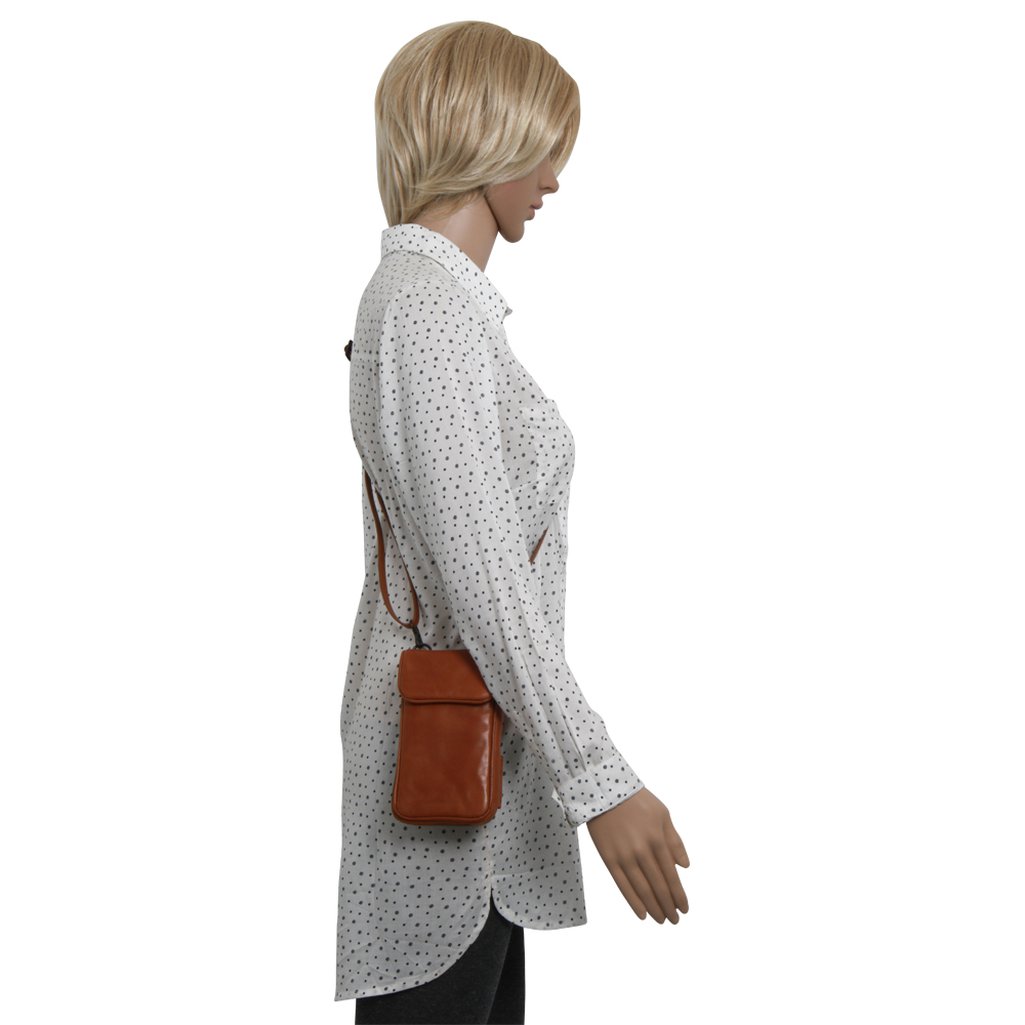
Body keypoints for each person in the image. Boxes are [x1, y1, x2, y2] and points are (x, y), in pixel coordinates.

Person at [336, 21, 690, 1022]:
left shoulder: (434, 306)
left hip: (477, 789)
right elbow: (486, 583)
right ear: (485, 136)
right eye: (541, 147)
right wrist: (599, 779)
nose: (553, 178)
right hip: (446, 796)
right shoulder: (427, 308)